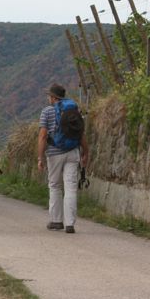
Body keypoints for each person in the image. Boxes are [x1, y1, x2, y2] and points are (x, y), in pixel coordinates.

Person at [36, 83, 89, 234]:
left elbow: (42, 136)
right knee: (71, 187)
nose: (48, 98)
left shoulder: (47, 112)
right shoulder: (73, 110)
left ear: (53, 98)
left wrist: (40, 157)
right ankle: (70, 224)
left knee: (55, 186)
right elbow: (81, 133)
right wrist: (86, 152)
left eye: (49, 96)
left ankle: (56, 221)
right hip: (73, 152)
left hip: (54, 153)